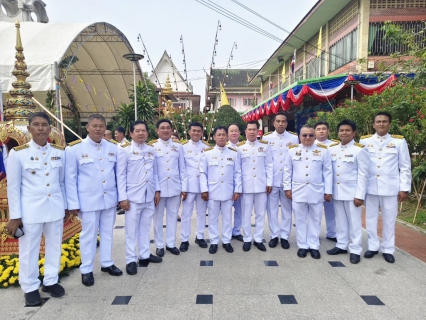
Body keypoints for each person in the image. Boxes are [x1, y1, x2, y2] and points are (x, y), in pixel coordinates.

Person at [5, 112, 67, 305]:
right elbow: (13, 188)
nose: (41, 128)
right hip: (31, 211)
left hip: (55, 208)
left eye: (44, 125)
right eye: (36, 125)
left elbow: (62, 182)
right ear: (29, 129)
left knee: (54, 246)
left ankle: (50, 280)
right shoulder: (18, 154)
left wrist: (65, 207)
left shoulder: (59, 152)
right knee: (29, 250)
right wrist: (15, 216)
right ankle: (30, 286)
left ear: (50, 129)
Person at [66, 114, 123, 287]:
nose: (98, 129)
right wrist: (73, 203)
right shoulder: (74, 149)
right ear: (87, 128)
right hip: (88, 200)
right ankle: (86, 269)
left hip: (109, 199)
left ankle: (107, 263)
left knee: (107, 232)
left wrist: (120, 198)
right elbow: (70, 178)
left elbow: (118, 175)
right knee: (88, 236)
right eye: (94, 126)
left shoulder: (113, 147)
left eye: (101, 126)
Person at [360, 112, 411, 263]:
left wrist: (404, 188)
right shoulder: (364, 141)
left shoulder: (399, 142)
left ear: (389, 124)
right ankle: (372, 246)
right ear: (374, 124)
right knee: (370, 218)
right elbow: (361, 166)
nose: (381, 124)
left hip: (390, 188)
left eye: (384, 121)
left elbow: (405, 167)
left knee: (389, 219)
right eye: (378, 121)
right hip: (371, 187)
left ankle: (388, 248)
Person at [116, 120, 162, 275]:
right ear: (131, 133)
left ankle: (144, 255)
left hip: (149, 196)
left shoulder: (151, 150)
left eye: (143, 130)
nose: (141, 133)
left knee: (145, 227)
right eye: (137, 131)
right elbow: (120, 176)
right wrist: (123, 198)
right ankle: (130, 259)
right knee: (131, 230)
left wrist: (157, 191)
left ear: (147, 133)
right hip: (132, 197)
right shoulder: (124, 151)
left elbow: (155, 172)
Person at [284, 125, 332, 259]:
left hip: (316, 190)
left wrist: (328, 191)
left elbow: (328, 172)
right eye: (304, 135)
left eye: (311, 135)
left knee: (315, 219)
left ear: (315, 136)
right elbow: (287, 171)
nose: (307, 138)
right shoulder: (292, 150)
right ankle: (302, 245)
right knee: (299, 219)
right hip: (298, 191)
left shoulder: (323, 151)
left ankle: (314, 245)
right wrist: (287, 188)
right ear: (300, 137)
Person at [327, 120, 370, 264]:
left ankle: (356, 249)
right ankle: (341, 244)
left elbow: (363, 174)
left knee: (355, 222)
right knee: (340, 220)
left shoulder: (359, 149)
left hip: (352, 193)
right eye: (341, 130)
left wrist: (360, 195)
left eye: (347, 130)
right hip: (337, 192)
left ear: (354, 133)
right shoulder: (332, 149)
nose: (344, 133)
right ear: (338, 133)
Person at [200, 126, 242, 254]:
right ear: (214, 137)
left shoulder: (234, 153)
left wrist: (237, 190)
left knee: (227, 218)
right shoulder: (207, 153)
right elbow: (202, 173)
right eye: (219, 135)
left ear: (227, 136)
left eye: (224, 134)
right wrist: (204, 190)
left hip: (228, 191)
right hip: (213, 191)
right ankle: (213, 241)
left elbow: (237, 173)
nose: (221, 137)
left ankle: (226, 241)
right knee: (212, 218)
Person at [151, 119, 188, 257]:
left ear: (171, 130)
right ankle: (159, 245)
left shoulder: (178, 147)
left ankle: (171, 244)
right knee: (158, 219)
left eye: (168, 128)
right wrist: (156, 190)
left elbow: (182, 169)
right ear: (157, 130)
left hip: (174, 188)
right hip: (159, 191)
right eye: (162, 128)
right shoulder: (152, 147)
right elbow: (152, 171)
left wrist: (184, 188)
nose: (165, 130)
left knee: (172, 217)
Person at [262, 112, 298, 249]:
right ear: (274, 123)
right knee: (271, 210)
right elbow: (267, 161)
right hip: (272, 181)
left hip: (287, 182)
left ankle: (284, 236)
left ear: (287, 123)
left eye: (283, 121)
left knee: (287, 210)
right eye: (278, 121)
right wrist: (268, 181)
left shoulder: (294, 138)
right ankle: (273, 235)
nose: (281, 123)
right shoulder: (266, 138)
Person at [237, 121, 273, 252]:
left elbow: (269, 165)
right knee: (246, 214)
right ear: (245, 132)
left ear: (258, 131)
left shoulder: (265, 146)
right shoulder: (240, 148)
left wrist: (269, 183)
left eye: (254, 129)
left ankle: (258, 238)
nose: (251, 132)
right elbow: (238, 170)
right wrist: (239, 187)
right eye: (249, 129)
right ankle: (247, 238)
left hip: (261, 186)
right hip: (246, 187)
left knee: (260, 214)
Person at [179, 122, 210, 252]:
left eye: (199, 131)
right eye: (194, 130)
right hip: (189, 187)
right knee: (186, 213)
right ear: (189, 132)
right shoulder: (183, 147)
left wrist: (206, 189)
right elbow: (182, 169)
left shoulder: (207, 148)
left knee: (202, 213)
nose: (196, 133)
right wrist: (184, 188)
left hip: (202, 188)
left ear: (202, 133)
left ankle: (200, 236)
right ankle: (184, 239)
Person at [314, 121, 339, 242]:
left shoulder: (336, 145)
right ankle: (314, 234)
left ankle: (332, 233)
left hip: (331, 184)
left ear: (328, 131)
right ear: (315, 132)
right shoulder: (309, 144)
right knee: (315, 212)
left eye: (324, 129)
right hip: (315, 185)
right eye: (318, 129)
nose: (321, 131)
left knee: (331, 211)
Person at [226, 124, 244, 242]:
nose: (233, 133)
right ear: (228, 134)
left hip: (241, 183)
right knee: (226, 211)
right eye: (231, 131)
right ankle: (226, 233)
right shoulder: (223, 146)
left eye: (235, 131)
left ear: (239, 133)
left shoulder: (244, 147)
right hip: (226, 184)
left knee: (240, 209)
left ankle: (236, 231)